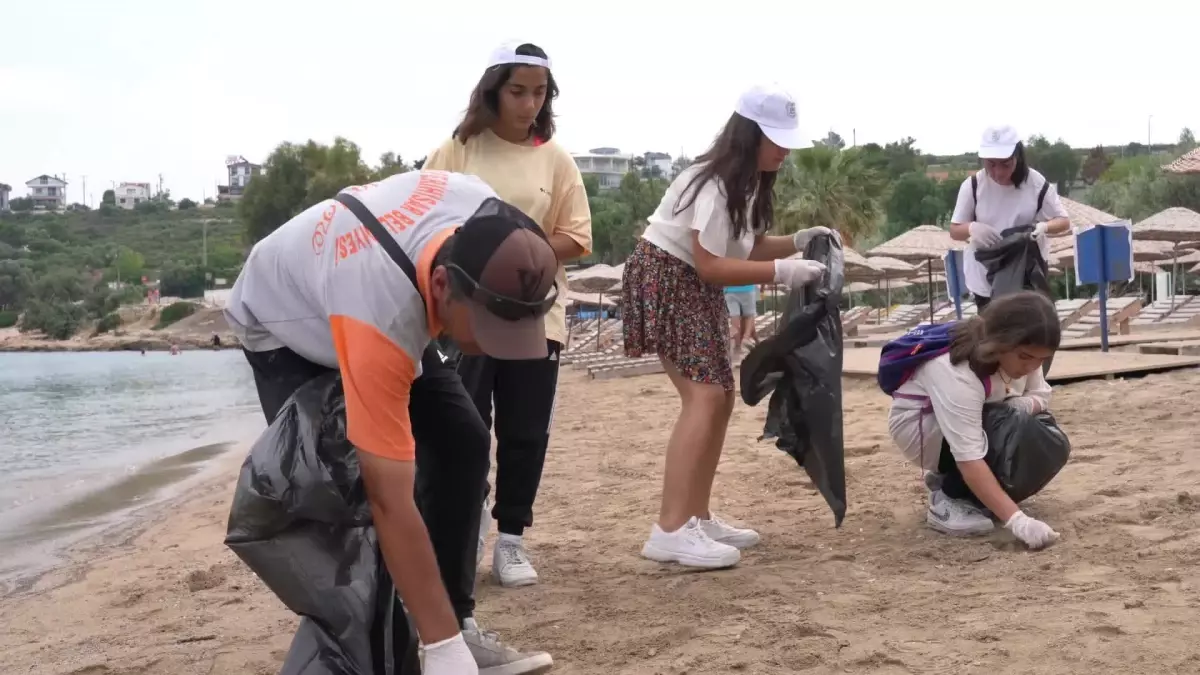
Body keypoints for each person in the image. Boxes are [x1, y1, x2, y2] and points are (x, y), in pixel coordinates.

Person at [224, 169, 558, 675]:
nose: (501, 349)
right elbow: (390, 498)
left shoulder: (489, 218)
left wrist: (450, 639)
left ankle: (456, 626)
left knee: (463, 444)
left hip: (376, 287)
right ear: (444, 286)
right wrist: (442, 653)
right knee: (343, 492)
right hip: (284, 321)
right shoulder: (380, 315)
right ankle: (373, 656)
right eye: (492, 330)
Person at [621, 82, 832, 570]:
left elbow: (747, 248)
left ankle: (696, 515)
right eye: (775, 138)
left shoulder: (749, 183)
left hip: (694, 284)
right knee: (704, 396)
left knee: (721, 395)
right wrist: (783, 272)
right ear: (748, 134)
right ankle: (670, 529)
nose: (784, 150)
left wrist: (797, 242)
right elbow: (711, 265)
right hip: (671, 278)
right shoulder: (713, 182)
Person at [424, 40, 592, 589]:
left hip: (537, 317)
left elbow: (578, 238)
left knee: (525, 433)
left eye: (539, 93)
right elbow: (424, 216)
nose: (528, 103)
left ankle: (512, 542)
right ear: (494, 90)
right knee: (465, 429)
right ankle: (466, 529)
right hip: (467, 319)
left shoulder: (557, 158)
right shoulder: (460, 149)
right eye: (518, 91)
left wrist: (517, 248)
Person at [886, 291, 1061, 550]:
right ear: (1001, 341)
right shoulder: (958, 371)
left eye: (1042, 359)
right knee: (1007, 428)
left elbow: (1041, 394)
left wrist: (1019, 405)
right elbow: (969, 456)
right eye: (1025, 357)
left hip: (982, 420)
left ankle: (962, 487)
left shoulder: (1026, 357)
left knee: (1045, 436)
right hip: (923, 430)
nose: (1032, 366)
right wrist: (1018, 521)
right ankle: (948, 497)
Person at [949, 125, 1071, 311]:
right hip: (985, 273)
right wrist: (972, 228)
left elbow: (1063, 221)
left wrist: (1044, 227)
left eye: (1006, 164)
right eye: (991, 164)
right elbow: (955, 230)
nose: (998, 172)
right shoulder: (973, 186)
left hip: (1026, 272)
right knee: (994, 333)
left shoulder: (1035, 183)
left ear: (1018, 157)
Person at [724, 283, 757, 362]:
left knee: (734, 316)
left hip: (729, 289)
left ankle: (737, 345)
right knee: (749, 315)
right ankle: (746, 338)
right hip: (747, 287)